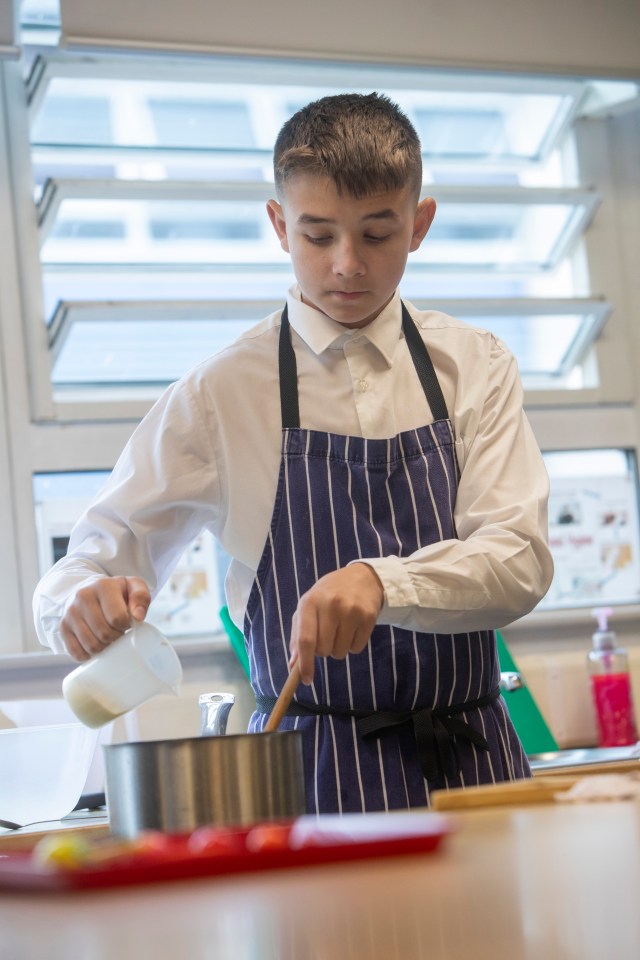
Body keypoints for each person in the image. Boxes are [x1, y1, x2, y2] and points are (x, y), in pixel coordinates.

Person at [33, 92, 554, 814]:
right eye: (317, 235)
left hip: (478, 772)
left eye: (377, 234)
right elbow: (87, 564)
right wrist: (77, 604)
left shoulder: (476, 364)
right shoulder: (222, 393)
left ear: (420, 224)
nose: (347, 265)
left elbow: (519, 561)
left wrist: (385, 582)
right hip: (313, 782)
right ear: (280, 225)